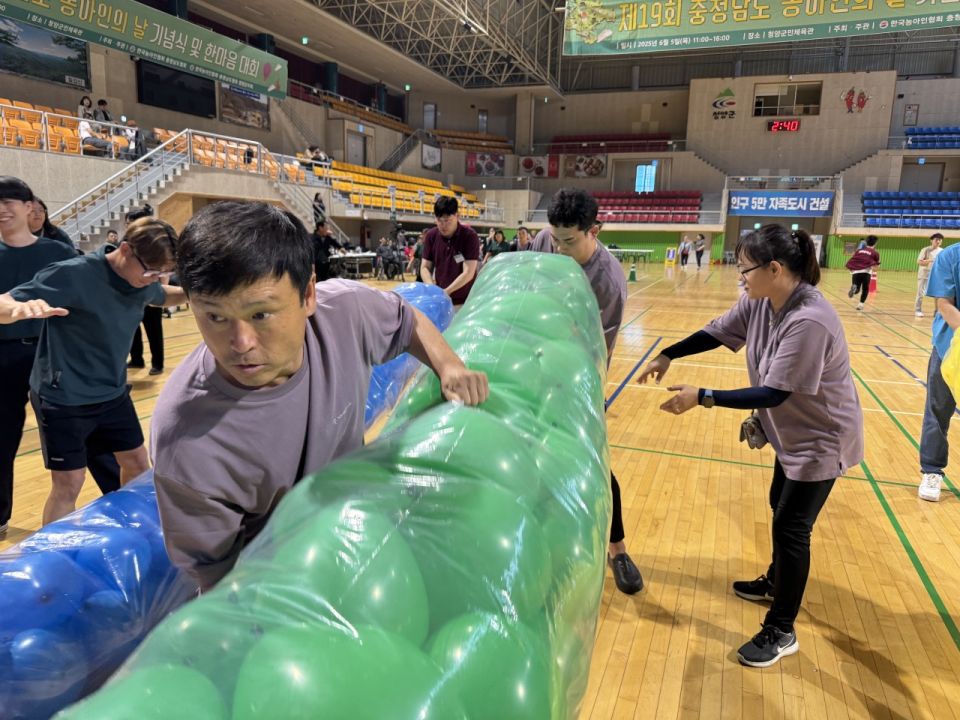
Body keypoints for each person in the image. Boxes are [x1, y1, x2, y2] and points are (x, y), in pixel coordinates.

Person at [150, 201, 490, 590]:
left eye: (261, 314)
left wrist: (450, 367)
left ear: (308, 293)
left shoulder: (345, 311)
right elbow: (218, 582)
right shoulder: (186, 437)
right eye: (215, 317)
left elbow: (407, 320)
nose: (240, 343)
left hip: (356, 526)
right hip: (282, 581)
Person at [637, 223, 863, 667]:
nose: (740, 277)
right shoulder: (761, 302)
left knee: (791, 527)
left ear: (775, 269)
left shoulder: (810, 319)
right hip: (790, 434)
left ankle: (781, 630)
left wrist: (702, 397)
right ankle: (777, 581)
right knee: (778, 501)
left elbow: (774, 393)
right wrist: (670, 353)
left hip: (821, 438)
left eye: (745, 270)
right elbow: (716, 332)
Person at [0, 215, 186, 525]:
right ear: (125, 249)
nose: (155, 279)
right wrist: (17, 310)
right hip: (65, 397)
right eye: (152, 271)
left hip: (112, 392)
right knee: (70, 482)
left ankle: (131, 529)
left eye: (162, 273)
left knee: (138, 463)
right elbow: (5, 303)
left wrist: (197, 295)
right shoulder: (73, 274)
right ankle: (52, 555)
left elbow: (161, 296)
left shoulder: (141, 280)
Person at [540, 189, 642, 596]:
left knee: (598, 467)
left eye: (570, 242)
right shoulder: (545, 242)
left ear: (593, 231)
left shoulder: (609, 283)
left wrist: (587, 398)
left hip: (579, 377)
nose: (560, 250)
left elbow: (599, 352)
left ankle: (616, 549)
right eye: (555, 240)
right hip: (534, 367)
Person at [0, 178, 77, 536]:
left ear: (30, 207)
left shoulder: (58, 253)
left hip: (52, 352)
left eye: (10, 200)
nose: (3, 208)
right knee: (2, 437)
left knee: (77, 428)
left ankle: (117, 497)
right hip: (3, 355)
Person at [918, 236, 960, 502]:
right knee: (937, 411)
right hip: (949, 347)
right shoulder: (950, 257)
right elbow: (944, 305)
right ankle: (932, 471)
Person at [421, 196, 481, 309]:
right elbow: (424, 267)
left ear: (457, 216)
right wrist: (432, 288)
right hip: (441, 301)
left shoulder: (469, 236)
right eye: (439, 221)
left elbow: (468, 272)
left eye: (448, 220)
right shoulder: (431, 236)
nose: (443, 225)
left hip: (465, 302)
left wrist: (446, 292)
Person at [126, 206, 165, 375]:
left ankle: (157, 363)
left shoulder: (155, 243)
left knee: (154, 330)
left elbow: (164, 270)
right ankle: (136, 359)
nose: (129, 226)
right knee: (133, 329)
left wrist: (161, 291)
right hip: (131, 295)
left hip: (151, 293)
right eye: (127, 223)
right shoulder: (125, 243)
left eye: (132, 222)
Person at [845, 235, 880, 311]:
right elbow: (876, 267)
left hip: (856, 272)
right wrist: (875, 267)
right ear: (876, 243)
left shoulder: (859, 251)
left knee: (857, 289)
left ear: (866, 242)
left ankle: (854, 289)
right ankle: (860, 305)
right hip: (866, 272)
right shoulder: (875, 253)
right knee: (865, 289)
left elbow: (854, 259)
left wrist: (851, 268)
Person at [915, 232, 944, 319]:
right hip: (924, 274)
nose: (938, 241)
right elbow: (919, 262)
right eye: (936, 240)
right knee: (920, 293)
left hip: (936, 275)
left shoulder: (942, 251)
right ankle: (918, 310)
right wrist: (930, 261)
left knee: (937, 294)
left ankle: (937, 311)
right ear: (931, 240)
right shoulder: (925, 250)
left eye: (940, 240)